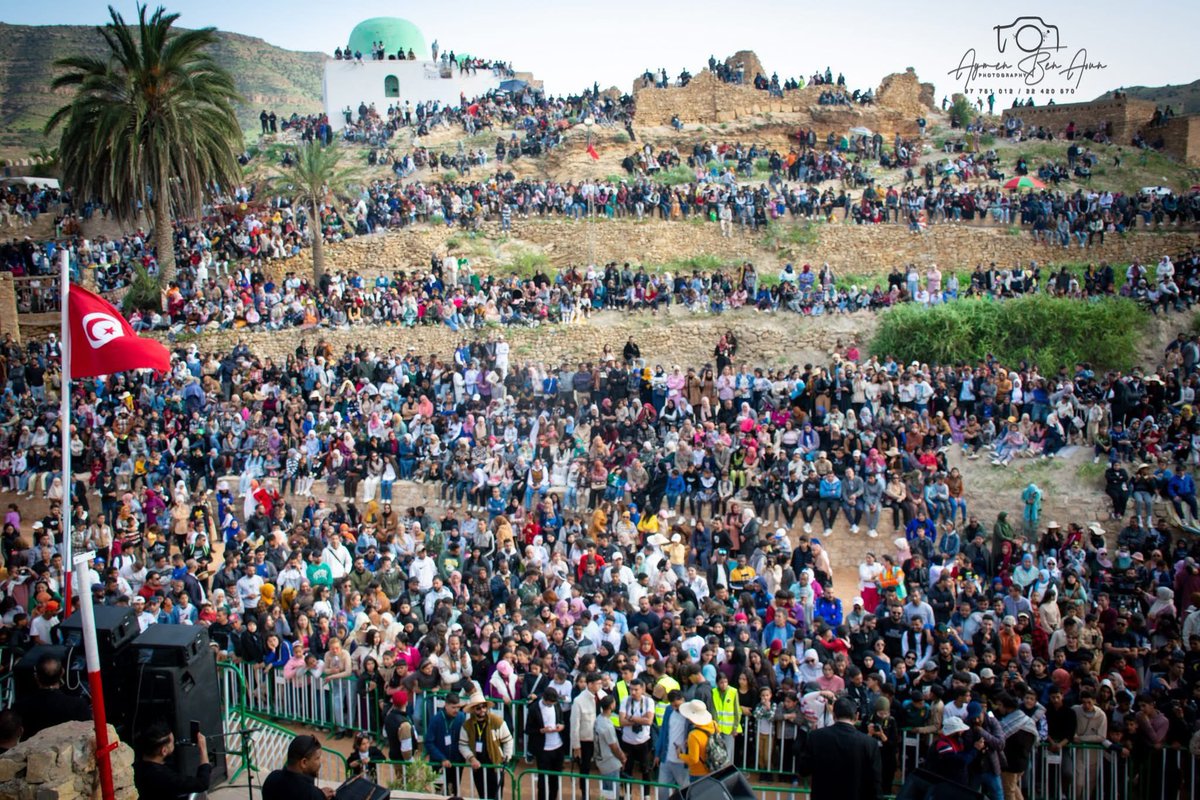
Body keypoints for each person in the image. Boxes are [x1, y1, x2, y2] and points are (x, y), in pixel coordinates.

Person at [798, 696, 881, 800]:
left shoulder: (816, 737)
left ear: (833, 715)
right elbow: (875, 782)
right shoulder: (870, 743)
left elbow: (803, 769)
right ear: (857, 716)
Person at [11, 654, 90, 738]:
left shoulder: (20, 707)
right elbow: (89, 733)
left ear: (36, 676)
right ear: (62, 672)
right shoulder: (78, 705)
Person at [132, 720, 213, 799]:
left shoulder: (135, 766)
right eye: (172, 743)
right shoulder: (164, 777)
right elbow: (202, 783)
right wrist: (203, 749)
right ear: (164, 751)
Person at [458, 689, 514, 798]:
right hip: (478, 767)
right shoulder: (467, 725)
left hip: (495, 766)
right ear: (473, 710)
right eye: (478, 708)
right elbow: (462, 745)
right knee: (483, 795)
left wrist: (506, 758)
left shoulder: (497, 721)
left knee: (497, 796)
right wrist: (471, 758)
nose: (482, 710)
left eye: (484, 707)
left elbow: (508, 740)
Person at [262, 733, 332, 800]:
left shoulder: (272, 778)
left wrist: (319, 793)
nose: (320, 762)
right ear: (304, 762)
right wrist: (320, 795)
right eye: (317, 758)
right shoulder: (311, 794)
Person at [528, 686, 567, 800]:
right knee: (543, 780)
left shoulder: (556, 705)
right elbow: (528, 729)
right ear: (544, 699)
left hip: (558, 747)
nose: (552, 705)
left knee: (555, 779)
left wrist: (561, 726)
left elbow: (561, 720)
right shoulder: (534, 708)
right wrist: (541, 731)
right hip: (543, 750)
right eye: (550, 703)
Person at [424, 692, 464, 796]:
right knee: (440, 792)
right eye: (453, 707)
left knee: (454, 792)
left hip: (456, 763)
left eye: (458, 707)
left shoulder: (461, 717)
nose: (456, 710)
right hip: (439, 763)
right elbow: (429, 742)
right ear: (446, 705)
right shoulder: (435, 720)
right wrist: (441, 758)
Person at [594, 694, 626, 798]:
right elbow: (613, 746)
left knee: (606, 793)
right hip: (610, 762)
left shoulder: (598, 719)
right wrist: (622, 757)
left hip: (601, 761)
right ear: (611, 706)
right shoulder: (606, 725)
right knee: (613, 793)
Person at [678, 699, 719, 778]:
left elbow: (694, 759)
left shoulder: (694, 735)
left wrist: (680, 755)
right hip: (713, 768)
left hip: (698, 772)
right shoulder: (714, 724)